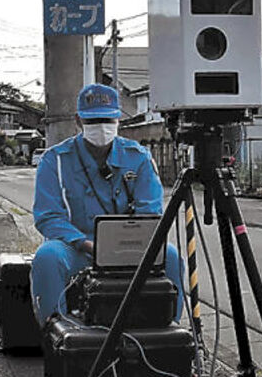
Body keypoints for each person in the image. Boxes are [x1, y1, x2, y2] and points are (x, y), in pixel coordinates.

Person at [31, 83, 183, 323]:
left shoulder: (139, 157)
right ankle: (55, 332)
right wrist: (84, 243)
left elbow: (151, 212)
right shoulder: (55, 160)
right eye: (92, 121)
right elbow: (47, 216)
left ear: (118, 120)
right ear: (79, 121)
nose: (100, 127)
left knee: (171, 256)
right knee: (48, 257)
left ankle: (170, 327)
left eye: (107, 120)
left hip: (129, 246)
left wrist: (127, 242)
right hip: (77, 246)